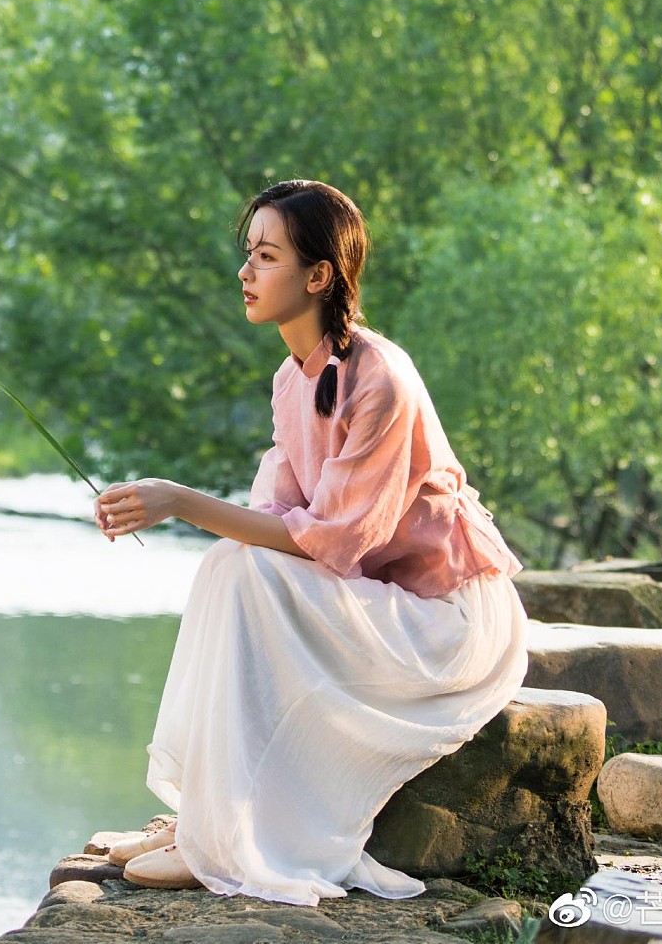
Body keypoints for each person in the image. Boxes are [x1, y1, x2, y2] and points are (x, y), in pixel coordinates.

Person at [93, 177, 529, 906]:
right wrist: (175, 507)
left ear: (319, 274)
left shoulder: (381, 376)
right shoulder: (292, 379)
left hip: (447, 621)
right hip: (384, 601)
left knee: (241, 569)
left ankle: (227, 836)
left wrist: (180, 500)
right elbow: (277, 520)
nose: (245, 271)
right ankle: (207, 815)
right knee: (233, 565)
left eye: (265, 255)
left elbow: (331, 542)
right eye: (249, 254)